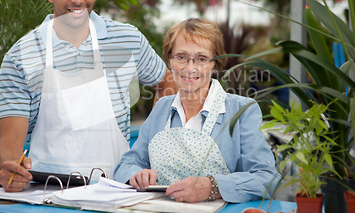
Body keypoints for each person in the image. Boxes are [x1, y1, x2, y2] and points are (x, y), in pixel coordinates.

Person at [0, 0, 176, 192]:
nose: (78, 0)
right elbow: (10, 139)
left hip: (119, 187)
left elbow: (168, 82)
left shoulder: (127, 39)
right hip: (48, 190)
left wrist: (151, 144)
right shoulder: (21, 55)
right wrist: (11, 167)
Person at [113, 18, 280, 203]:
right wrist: (135, 174)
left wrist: (214, 187)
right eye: (181, 57)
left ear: (215, 64)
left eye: (201, 59)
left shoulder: (242, 111)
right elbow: (127, 164)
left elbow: (267, 178)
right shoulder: (162, 108)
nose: (190, 68)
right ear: (169, 59)